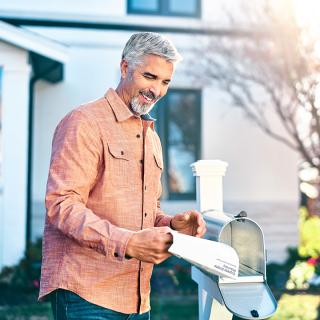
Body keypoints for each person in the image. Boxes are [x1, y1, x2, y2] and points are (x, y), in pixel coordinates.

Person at [39, 32, 206, 320]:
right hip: (85, 295)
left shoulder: (150, 137)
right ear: (125, 68)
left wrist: (171, 225)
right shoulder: (85, 122)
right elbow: (61, 204)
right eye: (149, 77)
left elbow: (145, 213)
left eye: (165, 82)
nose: (157, 90)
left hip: (138, 302)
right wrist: (127, 243)